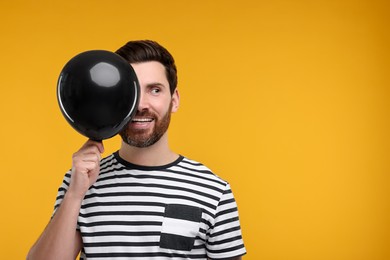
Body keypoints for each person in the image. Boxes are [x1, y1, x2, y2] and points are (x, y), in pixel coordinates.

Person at [27, 40, 246, 259]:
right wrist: (75, 195)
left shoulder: (214, 191)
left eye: (155, 90)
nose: (141, 104)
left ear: (174, 100)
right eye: (131, 91)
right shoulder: (79, 182)